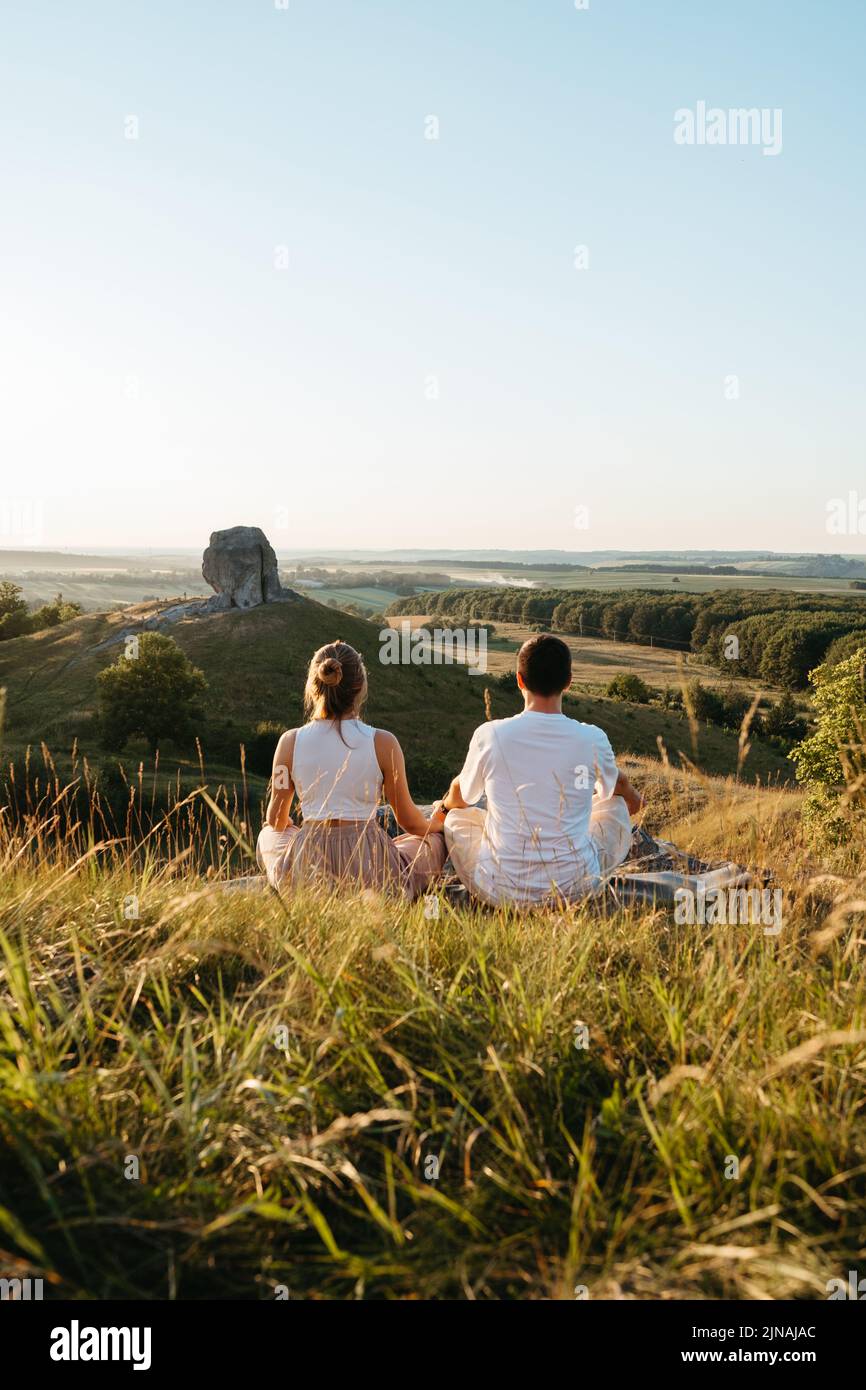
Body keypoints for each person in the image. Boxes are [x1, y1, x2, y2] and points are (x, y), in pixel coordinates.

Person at [440, 634, 643, 906]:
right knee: (614, 805)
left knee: (457, 819)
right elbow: (619, 787)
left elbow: (461, 795)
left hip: (499, 891)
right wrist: (634, 801)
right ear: (569, 682)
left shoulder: (489, 734)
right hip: (576, 889)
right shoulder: (592, 738)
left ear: (519, 680)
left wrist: (443, 810)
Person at [256, 641, 447, 896]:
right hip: (372, 869)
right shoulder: (383, 742)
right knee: (432, 843)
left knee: (268, 835)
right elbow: (409, 821)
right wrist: (439, 822)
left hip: (309, 866)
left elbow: (275, 819)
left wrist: (292, 826)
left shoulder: (289, 741)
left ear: (314, 687)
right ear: (360, 688)